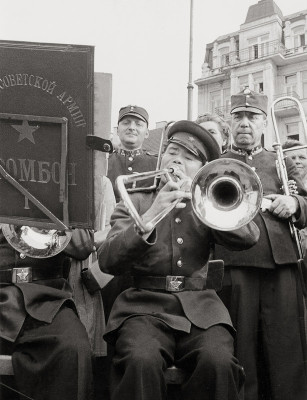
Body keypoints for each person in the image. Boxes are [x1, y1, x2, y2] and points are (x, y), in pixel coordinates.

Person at [97, 120, 260, 400]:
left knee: (218, 362)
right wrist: (149, 217)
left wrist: (207, 204)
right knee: (140, 360)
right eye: (172, 152)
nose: (177, 161)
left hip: (201, 308)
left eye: (188, 158)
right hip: (143, 308)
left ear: (202, 170)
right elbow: (107, 261)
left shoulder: (206, 202)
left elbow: (248, 237)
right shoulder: (136, 199)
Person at [215, 88, 307, 400]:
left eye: (252, 117)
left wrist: (293, 203)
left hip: (281, 263)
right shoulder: (218, 163)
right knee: (242, 350)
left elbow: (305, 199)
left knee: (287, 349)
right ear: (230, 123)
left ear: (264, 124)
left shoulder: (280, 161)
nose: (245, 122)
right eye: (239, 116)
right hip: (235, 263)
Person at [0, 227, 95, 400]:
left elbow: (83, 246)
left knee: (74, 348)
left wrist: (50, 216)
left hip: (46, 296)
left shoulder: (68, 198)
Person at [107, 105, 158, 203]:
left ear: (147, 133)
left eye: (138, 124)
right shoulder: (104, 162)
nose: (131, 128)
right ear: (117, 130)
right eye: (126, 123)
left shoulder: (157, 164)